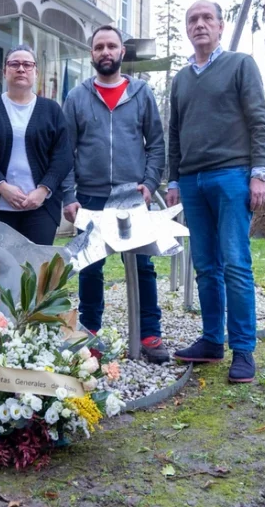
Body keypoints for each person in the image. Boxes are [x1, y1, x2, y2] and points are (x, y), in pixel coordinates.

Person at [166, 0, 265, 383]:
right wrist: (174, 179)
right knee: (205, 266)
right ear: (187, 28)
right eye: (192, 19)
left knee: (235, 264)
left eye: (207, 18)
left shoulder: (240, 65)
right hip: (192, 182)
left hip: (232, 176)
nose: (199, 24)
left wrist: (259, 174)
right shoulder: (181, 78)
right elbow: (174, 134)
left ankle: (243, 350)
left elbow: (260, 121)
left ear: (221, 26)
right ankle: (212, 341)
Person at [61, 25, 168, 364]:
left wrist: (149, 184)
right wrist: (68, 195)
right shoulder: (77, 96)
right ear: (91, 54)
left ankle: (149, 333)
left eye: (111, 46)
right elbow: (65, 151)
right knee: (90, 266)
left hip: (130, 197)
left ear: (122, 52)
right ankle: (91, 333)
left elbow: (157, 145)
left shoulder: (141, 93)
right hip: (89, 198)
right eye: (99, 47)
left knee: (142, 266)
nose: (105, 52)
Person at [0, 44, 73, 245]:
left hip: (41, 208)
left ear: (36, 72)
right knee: (1, 271)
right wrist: (1, 185)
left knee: (36, 270)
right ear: (4, 71)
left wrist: (43, 190)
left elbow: (63, 156)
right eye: (14, 64)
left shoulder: (51, 110)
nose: (21, 69)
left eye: (27, 64)